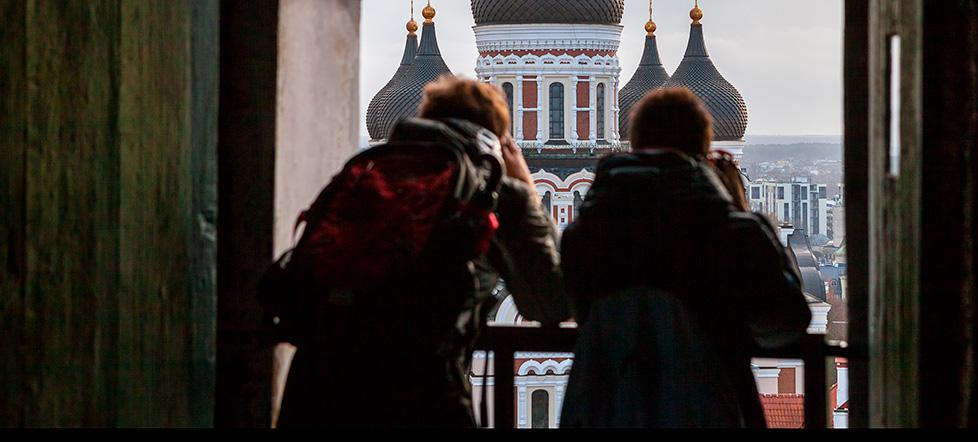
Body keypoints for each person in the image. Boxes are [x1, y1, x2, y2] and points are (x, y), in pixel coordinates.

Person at [275, 76, 569, 428]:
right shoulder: (492, 192)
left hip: (316, 387)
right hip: (419, 392)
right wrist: (528, 191)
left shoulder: (361, 175)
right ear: (496, 138)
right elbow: (551, 304)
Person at [560, 88, 811, 428]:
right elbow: (786, 324)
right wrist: (740, 210)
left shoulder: (583, 239)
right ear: (701, 151)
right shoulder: (731, 235)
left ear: (634, 146)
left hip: (605, 413)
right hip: (709, 413)